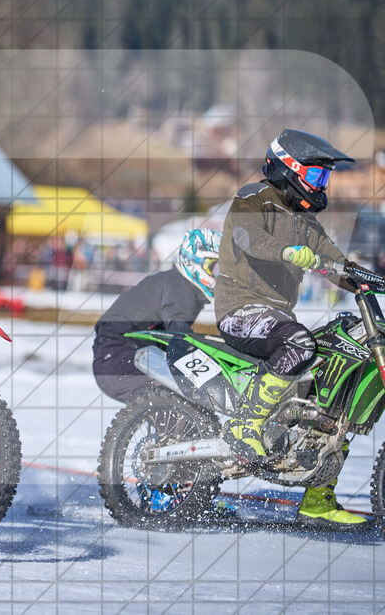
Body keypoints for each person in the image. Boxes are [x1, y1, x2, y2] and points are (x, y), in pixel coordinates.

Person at [216, 128, 365, 529]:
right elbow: (249, 237)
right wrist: (285, 251)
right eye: (317, 176)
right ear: (289, 169)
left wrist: (366, 279)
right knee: (300, 342)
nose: (322, 186)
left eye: (324, 179)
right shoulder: (253, 198)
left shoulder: (307, 224)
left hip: (278, 321)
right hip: (241, 310)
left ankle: (318, 496)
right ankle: (246, 423)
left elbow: (337, 263)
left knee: (337, 386)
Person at [93, 229, 221, 403]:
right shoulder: (181, 288)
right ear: (196, 262)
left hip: (119, 350)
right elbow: (181, 339)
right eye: (214, 267)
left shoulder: (178, 282)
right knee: (171, 407)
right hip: (117, 353)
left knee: (180, 404)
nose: (218, 276)